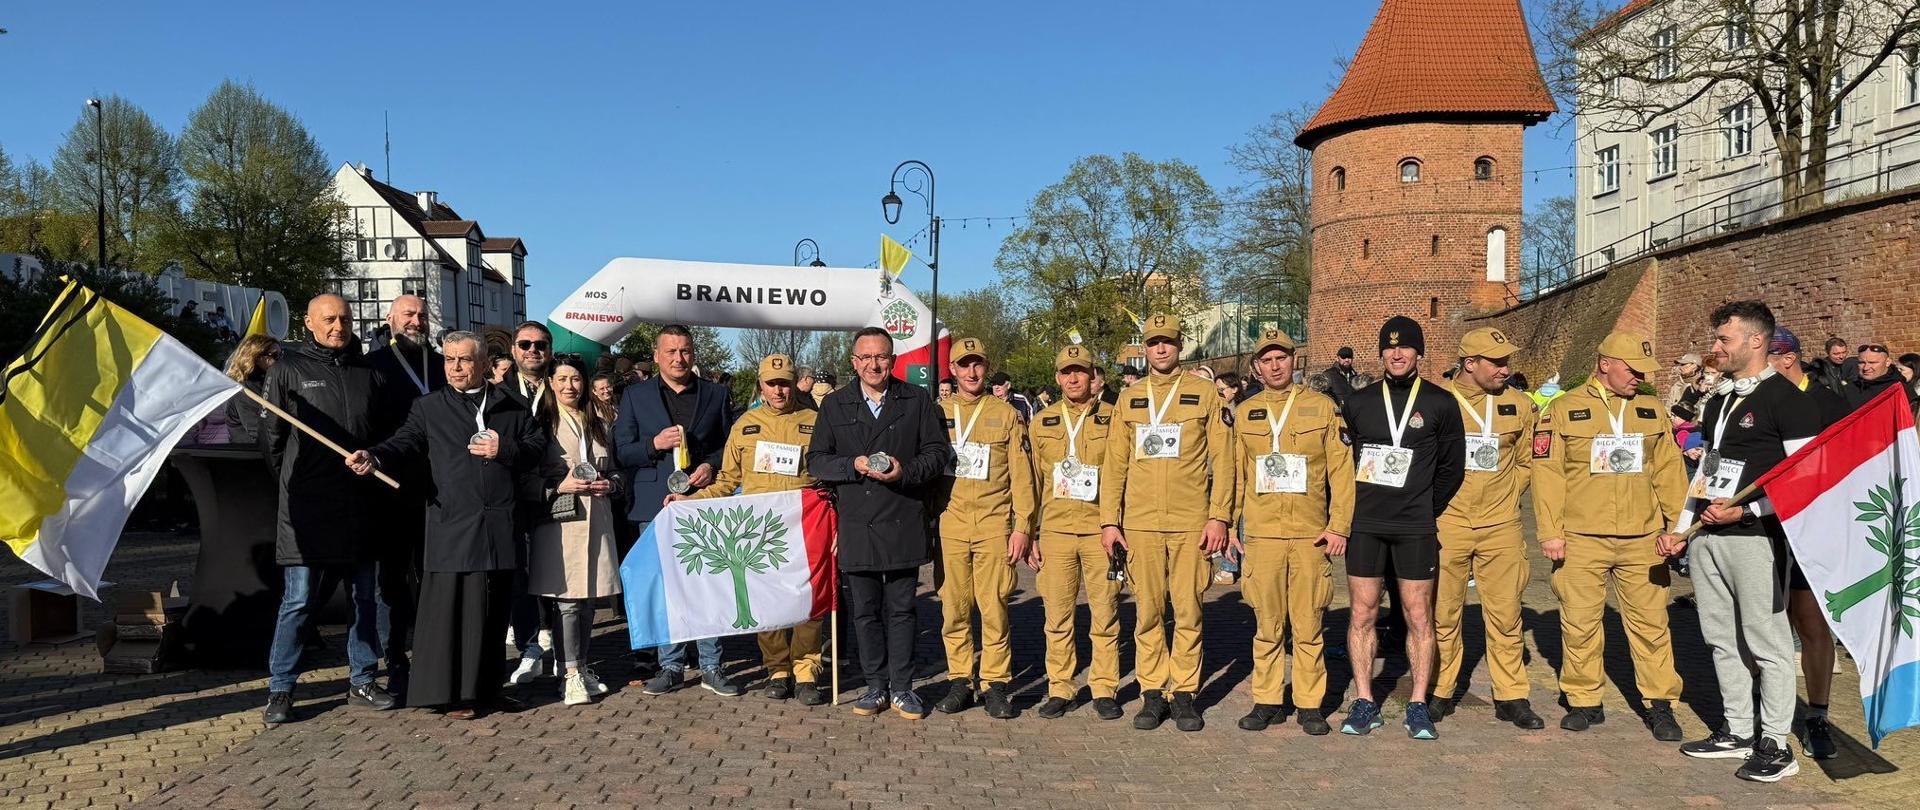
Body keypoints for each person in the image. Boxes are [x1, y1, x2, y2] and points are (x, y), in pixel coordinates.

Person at [346, 331, 544, 719]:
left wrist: (505, 450)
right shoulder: (429, 407)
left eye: (464, 360)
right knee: (458, 611)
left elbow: (536, 447)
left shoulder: (512, 405)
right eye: (449, 359)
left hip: (500, 521)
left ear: (484, 363)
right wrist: (374, 457)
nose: (455, 367)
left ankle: (488, 688)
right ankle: (455, 694)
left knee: (494, 609)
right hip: (453, 521)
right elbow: (403, 442)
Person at [1671, 302, 1823, 782]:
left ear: (1757, 341)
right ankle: (1737, 728)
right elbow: (1709, 469)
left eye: (1724, 340)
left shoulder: (1789, 400)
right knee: (1719, 636)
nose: (1716, 349)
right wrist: (1681, 528)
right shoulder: (1717, 400)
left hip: (1757, 536)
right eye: (1717, 340)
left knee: (1768, 641)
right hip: (1707, 535)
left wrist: (1749, 510)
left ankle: (1776, 742)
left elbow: (1807, 479)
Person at [1532, 331, 1687, 740]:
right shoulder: (1563, 409)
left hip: (1643, 537)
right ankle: (1584, 700)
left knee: (1652, 624)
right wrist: (1550, 531)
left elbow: (1669, 471)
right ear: (1605, 364)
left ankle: (1660, 704)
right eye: (1633, 369)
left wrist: (1679, 527)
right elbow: (1547, 474)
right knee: (1580, 621)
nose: (1640, 377)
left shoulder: (1652, 409)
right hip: (1582, 535)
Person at [805, 327, 953, 719]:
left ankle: (903, 688)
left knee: (902, 609)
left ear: (892, 360)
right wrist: (849, 466)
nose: (874, 364)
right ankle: (875, 686)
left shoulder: (916, 400)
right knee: (865, 610)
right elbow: (816, 461)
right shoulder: (835, 405)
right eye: (865, 357)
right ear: (854, 362)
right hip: (856, 522)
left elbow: (938, 453)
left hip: (903, 515)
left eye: (881, 356)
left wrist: (905, 472)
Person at [258, 294, 391, 725]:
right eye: (329, 319)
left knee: (363, 598)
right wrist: (300, 483)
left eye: (345, 318)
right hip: (307, 510)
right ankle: (281, 688)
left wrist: (374, 457)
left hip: (361, 504)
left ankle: (363, 679)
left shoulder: (370, 370)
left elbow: (386, 433)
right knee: (298, 601)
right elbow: (272, 442)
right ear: (309, 323)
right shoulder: (287, 369)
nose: (339, 326)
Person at [1100, 314, 1233, 732]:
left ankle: (1185, 693)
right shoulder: (1130, 398)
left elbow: (1224, 460)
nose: (1161, 349)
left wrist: (1220, 516)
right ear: (1146, 348)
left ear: (1180, 347)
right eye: (1154, 343)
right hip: (1140, 523)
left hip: (1192, 521)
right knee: (1148, 611)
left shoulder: (1203, 393)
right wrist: (1109, 521)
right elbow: (1115, 464)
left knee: (1190, 609)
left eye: (1169, 342)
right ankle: (1153, 691)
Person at [669, 353, 827, 705]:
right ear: (761, 385)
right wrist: (689, 500)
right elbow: (727, 480)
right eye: (772, 384)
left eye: (785, 383)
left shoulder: (815, 422)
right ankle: (778, 670)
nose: (779, 391)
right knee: (766, 603)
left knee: (806, 602)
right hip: (760, 531)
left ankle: (806, 672)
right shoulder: (744, 425)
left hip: (802, 528)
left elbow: (828, 478)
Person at [1333, 316, 1461, 740]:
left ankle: (1419, 703)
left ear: (1418, 352)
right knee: (1363, 613)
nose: (1397, 353)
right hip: (1366, 525)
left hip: (1415, 527)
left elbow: (1452, 469)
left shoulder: (1441, 403)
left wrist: (1424, 506)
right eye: (1389, 348)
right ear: (1381, 353)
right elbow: (1344, 462)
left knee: (1419, 616)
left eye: (1405, 347)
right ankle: (1366, 699)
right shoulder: (1359, 402)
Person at [1228, 329, 1351, 735]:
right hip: (1262, 535)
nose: (1275, 365)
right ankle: (1266, 700)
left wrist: (1339, 527)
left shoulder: (1322, 407)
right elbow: (1236, 477)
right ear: (1257, 368)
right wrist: (1229, 525)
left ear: (1294, 361)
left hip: (1309, 534)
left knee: (1308, 623)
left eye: (1282, 357)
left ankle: (1309, 703)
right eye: (1267, 359)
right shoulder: (1246, 413)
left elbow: (1342, 472)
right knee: (1267, 624)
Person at [612, 325, 739, 695]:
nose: (678, 358)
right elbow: (622, 450)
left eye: (684, 351)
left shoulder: (716, 394)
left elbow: (727, 445)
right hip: (655, 502)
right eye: (670, 352)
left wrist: (711, 466)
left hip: (703, 499)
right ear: (657, 356)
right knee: (665, 586)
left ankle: (712, 666)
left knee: (708, 583)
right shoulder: (635, 396)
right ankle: (670, 665)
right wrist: (653, 443)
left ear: (693, 354)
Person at [1430, 328, 1544, 730]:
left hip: (1502, 525)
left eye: (1507, 361)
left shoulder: (1519, 403)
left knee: (1506, 614)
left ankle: (1511, 696)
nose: (1505, 369)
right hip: (1449, 522)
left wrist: (1511, 491)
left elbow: (1530, 459)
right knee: (1443, 613)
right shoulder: (1436, 402)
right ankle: (1440, 690)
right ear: (1469, 363)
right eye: (1496, 362)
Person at [930, 338, 1038, 719]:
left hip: (994, 525)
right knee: (953, 609)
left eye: (977, 365)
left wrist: (1023, 527)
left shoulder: (1007, 415)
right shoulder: (936, 413)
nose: (971, 372)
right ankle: (961, 679)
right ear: (953, 370)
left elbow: (1024, 478)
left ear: (986, 368)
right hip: (951, 525)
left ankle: (996, 683)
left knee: (994, 609)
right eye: (964, 365)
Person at [1763, 325, 1849, 760]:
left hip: (1811, 528)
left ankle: (1817, 715)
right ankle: (1756, 714)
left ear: (1789, 357)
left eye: (1770, 357)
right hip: (1760, 526)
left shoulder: (1828, 402)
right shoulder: (1757, 397)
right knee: (1761, 623)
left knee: (1811, 625)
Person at [1027, 344, 1122, 721]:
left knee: (1105, 612)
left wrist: (1116, 523)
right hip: (1055, 530)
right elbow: (1032, 481)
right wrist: (1030, 531)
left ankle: (1104, 686)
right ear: (1057, 377)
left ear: (1093, 375)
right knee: (1058, 615)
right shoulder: (1042, 422)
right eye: (1066, 372)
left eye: (1080, 371)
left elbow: (1122, 475)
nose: (1073, 378)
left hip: (1100, 529)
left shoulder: (1115, 419)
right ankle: (1060, 686)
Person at [360, 294, 446, 703]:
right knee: (391, 585)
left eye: (422, 316)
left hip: (438, 490)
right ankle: (396, 663)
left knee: (434, 578)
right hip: (391, 490)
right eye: (409, 314)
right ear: (390, 318)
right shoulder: (374, 366)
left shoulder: (441, 364)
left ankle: (435, 662)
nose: (417, 321)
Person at [526, 355, 621, 707]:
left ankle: (580, 665)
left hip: (597, 517)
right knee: (566, 601)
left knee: (588, 601)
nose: (570, 386)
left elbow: (616, 469)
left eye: (576, 379)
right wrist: (558, 485)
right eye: (562, 379)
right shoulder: (542, 422)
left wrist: (611, 485)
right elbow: (527, 475)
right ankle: (568, 674)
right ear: (551, 382)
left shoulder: (598, 420)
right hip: (561, 518)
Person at [499, 322, 557, 682]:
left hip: (557, 491)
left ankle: (561, 645)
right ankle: (529, 647)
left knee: (556, 569)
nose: (533, 350)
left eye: (540, 344)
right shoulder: (497, 393)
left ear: (549, 350)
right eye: (525, 344)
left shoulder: (564, 386)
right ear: (514, 350)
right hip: (513, 494)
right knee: (519, 572)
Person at [220, 335, 279, 446]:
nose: (279, 360)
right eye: (275, 355)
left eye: (281, 354)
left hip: (269, 450)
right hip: (251, 453)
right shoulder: (245, 388)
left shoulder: (269, 380)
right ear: (256, 356)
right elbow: (257, 430)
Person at [1848, 342, 1916, 409]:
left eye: (1872, 362)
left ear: (1887, 362)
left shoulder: (1900, 389)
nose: (1866, 368)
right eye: (1861, 362)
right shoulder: (1850, 387)